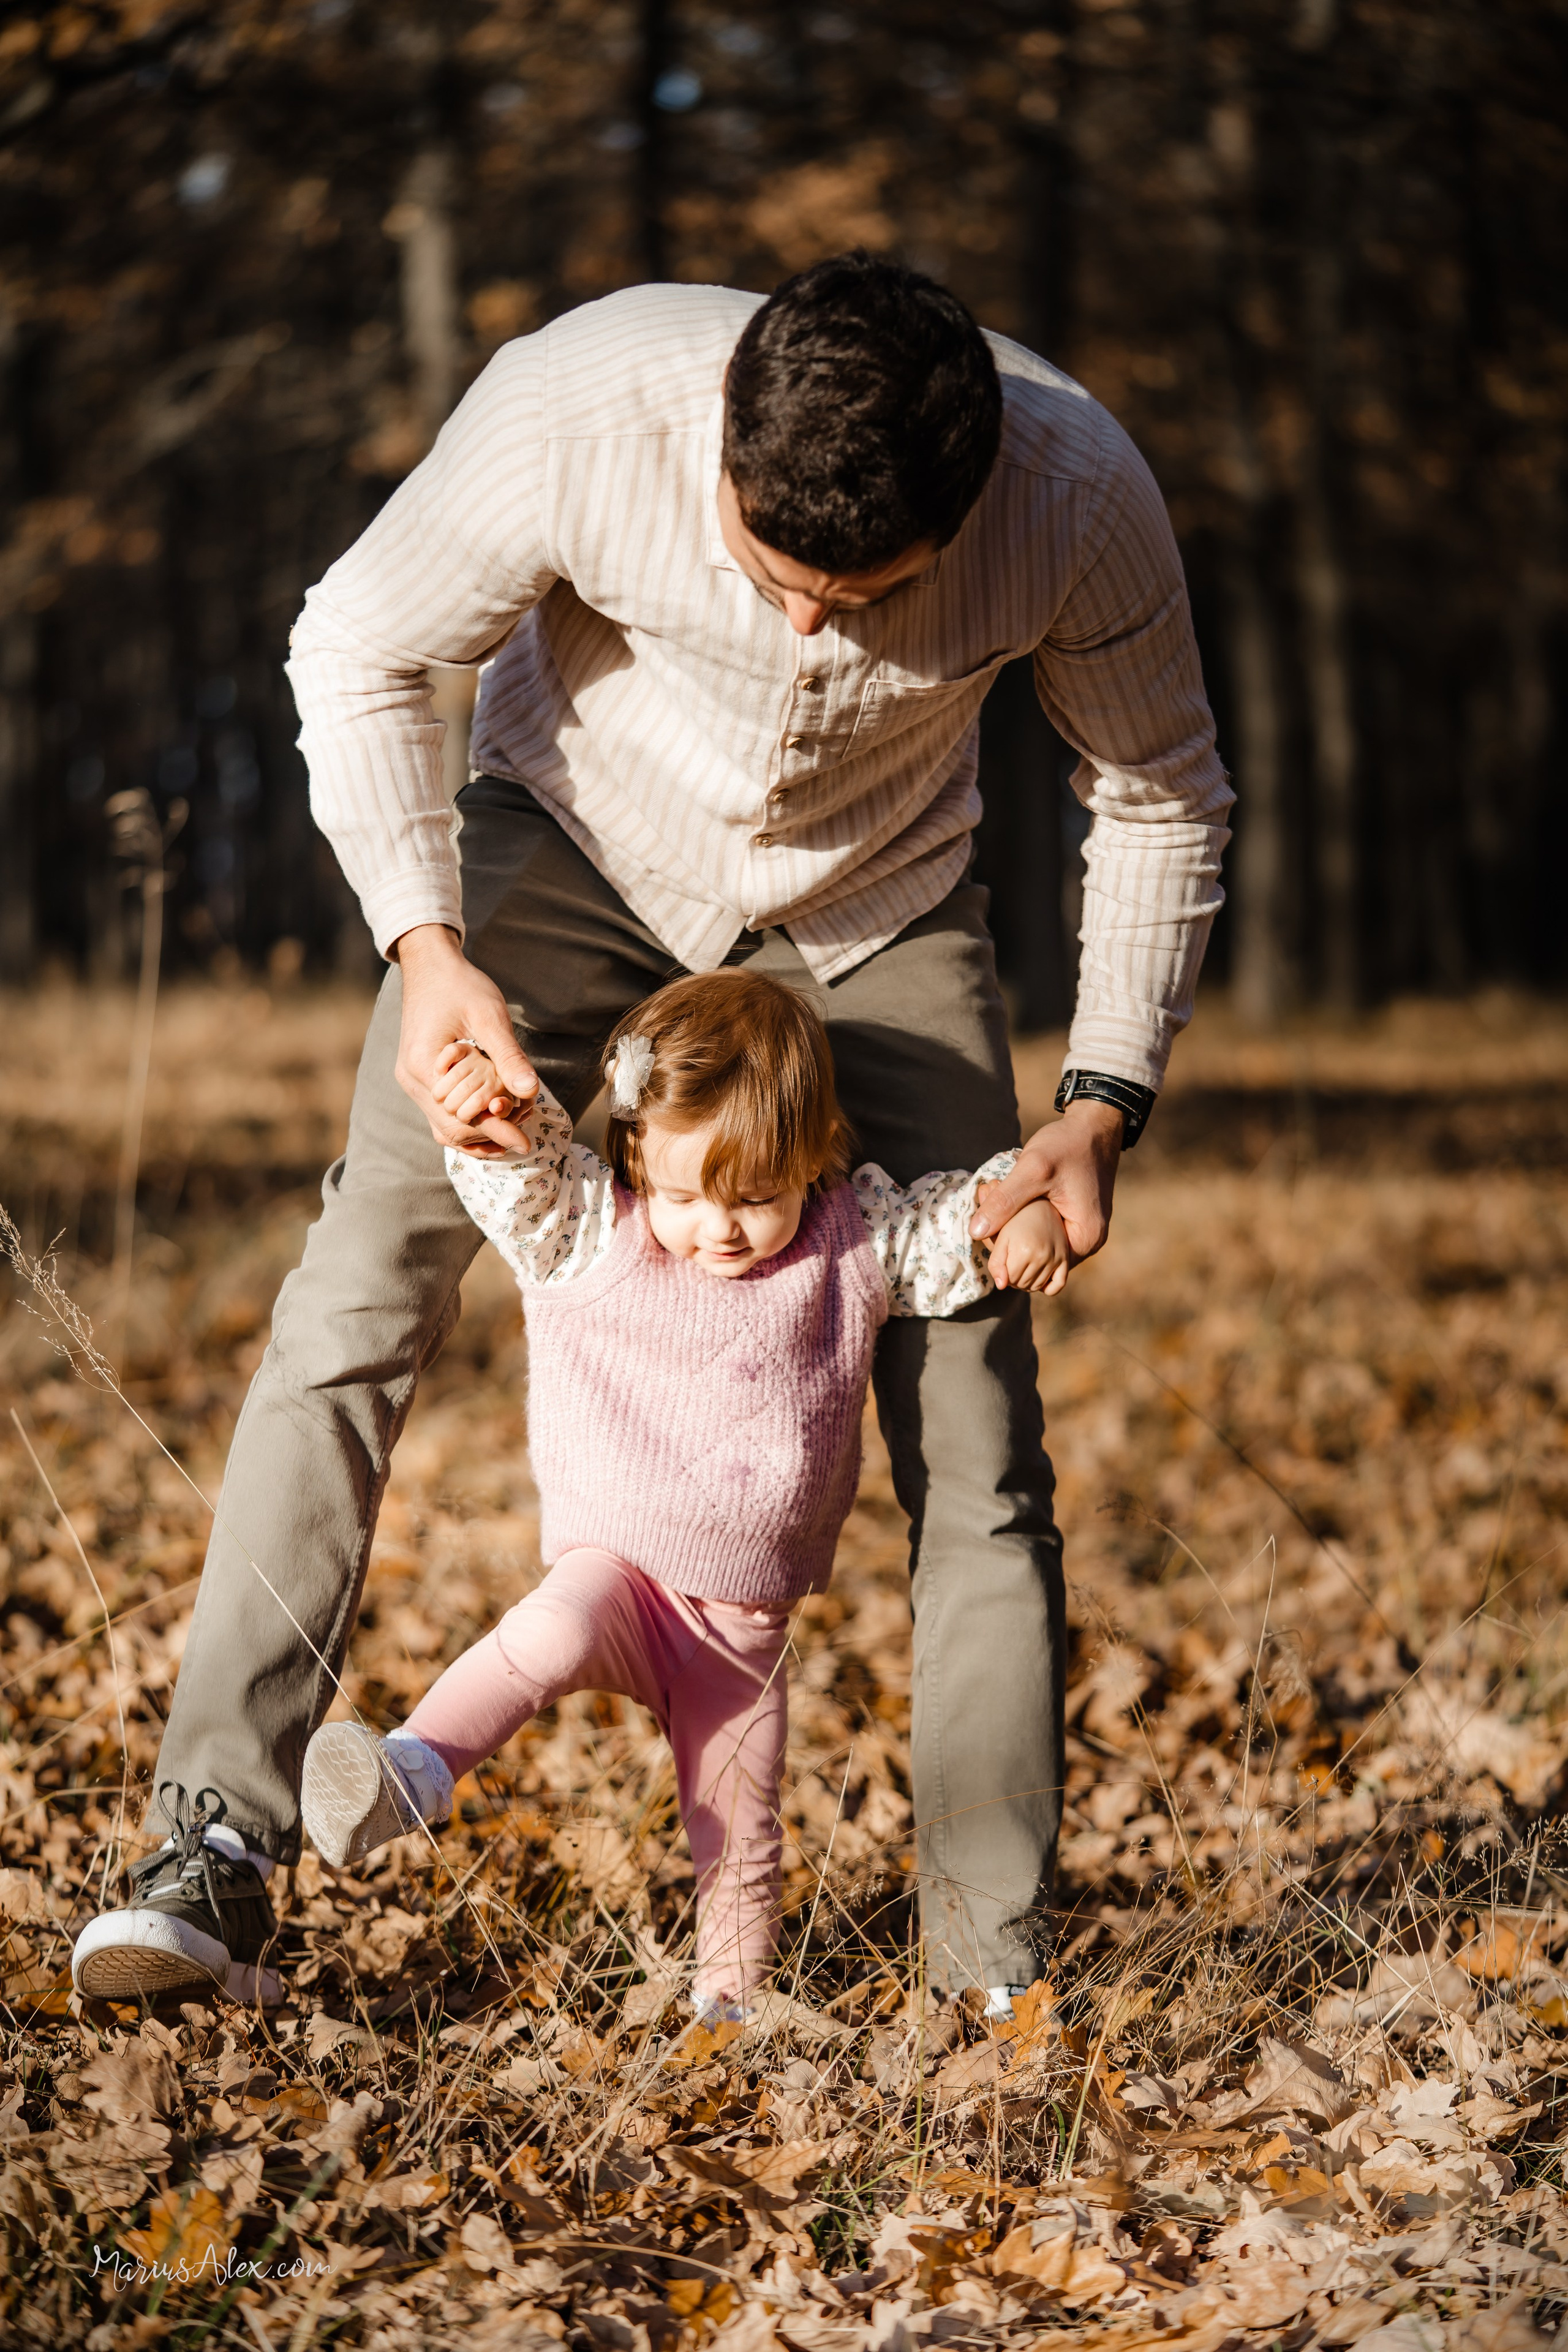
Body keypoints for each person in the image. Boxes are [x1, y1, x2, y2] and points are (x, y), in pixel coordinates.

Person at [70, 251, 1231, 2013]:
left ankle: (989, 1969)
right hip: (565, 850)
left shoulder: (1081, 501)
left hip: (878, 910)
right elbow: (358, 640)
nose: (813, 634)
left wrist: (1102, 1102)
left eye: (873, 599)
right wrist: (426, 942)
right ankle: (213, 1846)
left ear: (972, 509)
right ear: (723, 456)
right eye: (777, 576)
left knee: (980, 1414)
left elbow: (1160, 794)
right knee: (360, 1289)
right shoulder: (580, 404)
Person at [299, 970, 1069, 2019]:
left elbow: (946, 1233)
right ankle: (410, 1776)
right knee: (551, 1635)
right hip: (617, 1573)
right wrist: (496, 1119)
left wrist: (1007, 1232)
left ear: (812, 1157)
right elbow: (520, 1182)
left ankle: (730, 2006)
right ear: (635, 1166)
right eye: (682, 1195)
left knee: (739, 1824)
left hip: (741, 1632)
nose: (719, 1227)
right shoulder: (595, 1233)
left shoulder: (853, 1241)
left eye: (756, 1194)